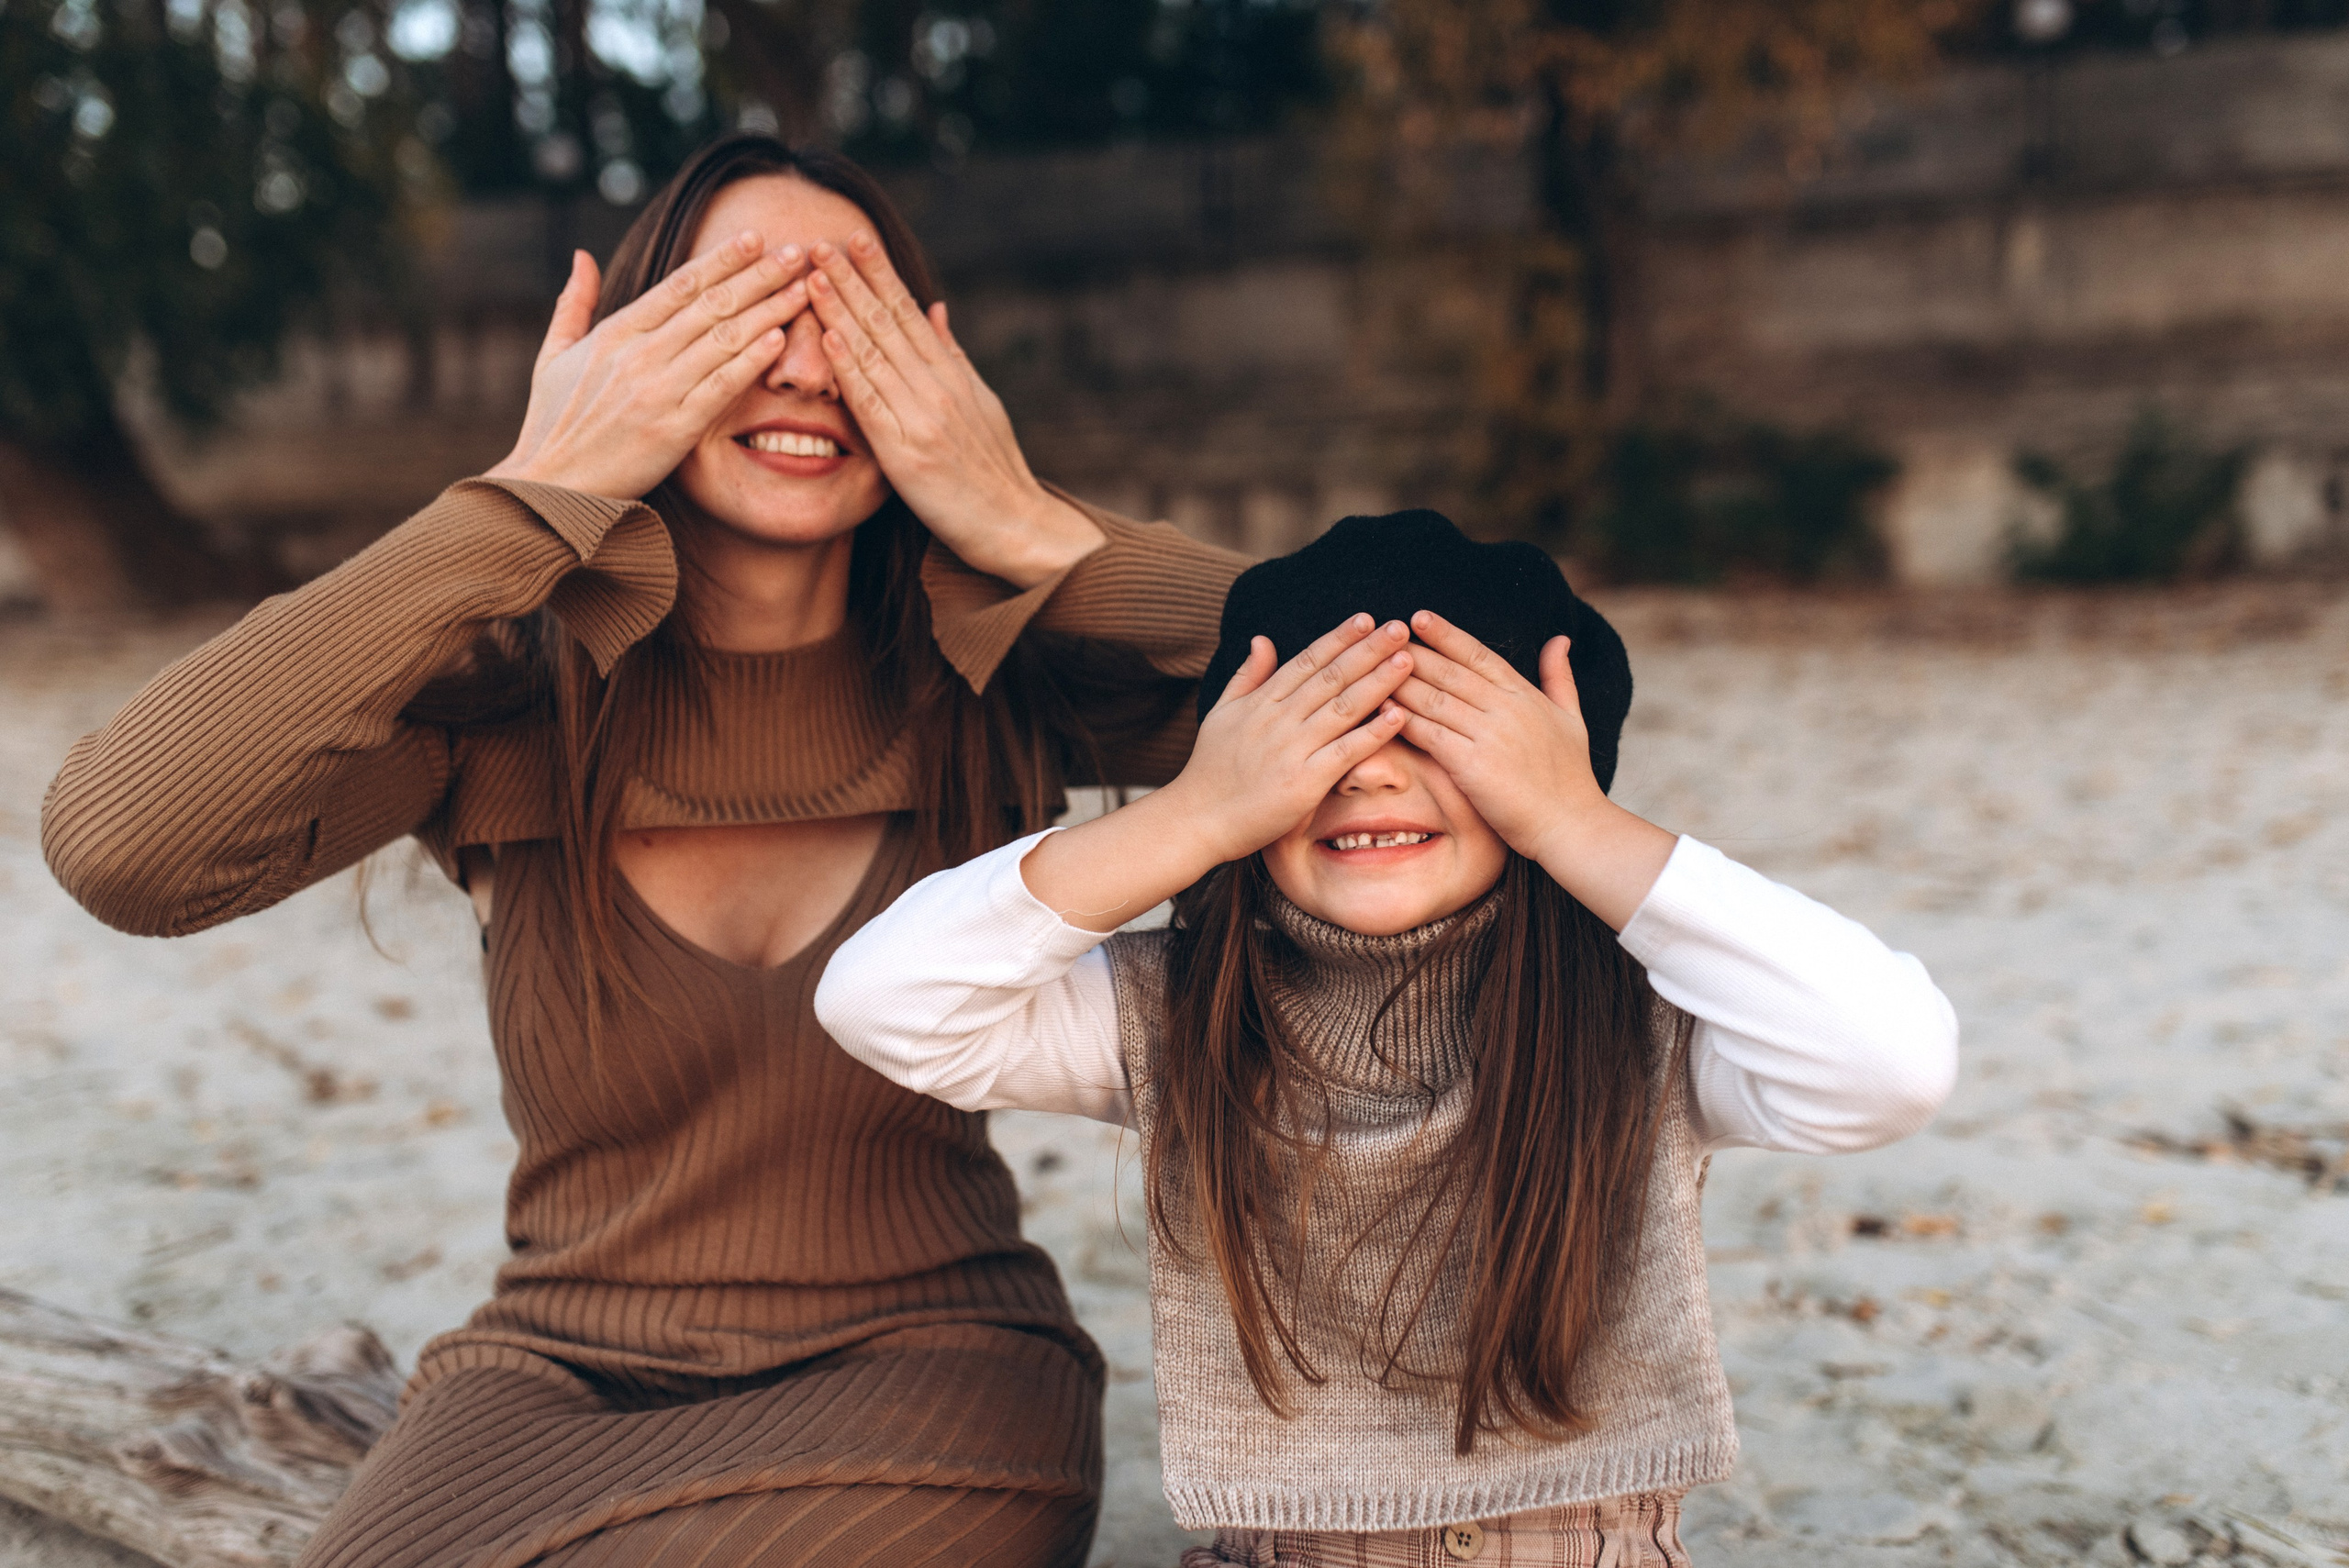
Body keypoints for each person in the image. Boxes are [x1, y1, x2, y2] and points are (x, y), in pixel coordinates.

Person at [40, 134, 1246, 1568]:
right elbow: (123, 849)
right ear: (625, 353)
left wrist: (1026, 524)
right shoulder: (501, 698)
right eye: (743, 311)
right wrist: (528, 493)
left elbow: (1448, 689)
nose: (803, 369)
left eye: (846, 318)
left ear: (931, 371)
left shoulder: (1001, 669)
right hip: (547, 1379)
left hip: (937, 1378)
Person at [818, 510, 1960, 1565]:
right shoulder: (1180, 1016)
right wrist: (1197, 811)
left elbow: (1887, 1063)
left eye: (1440, 734)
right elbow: (883, 999)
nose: (1367, 768)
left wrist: (1575, 821)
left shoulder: (1642, 1017)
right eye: (1318, 737)